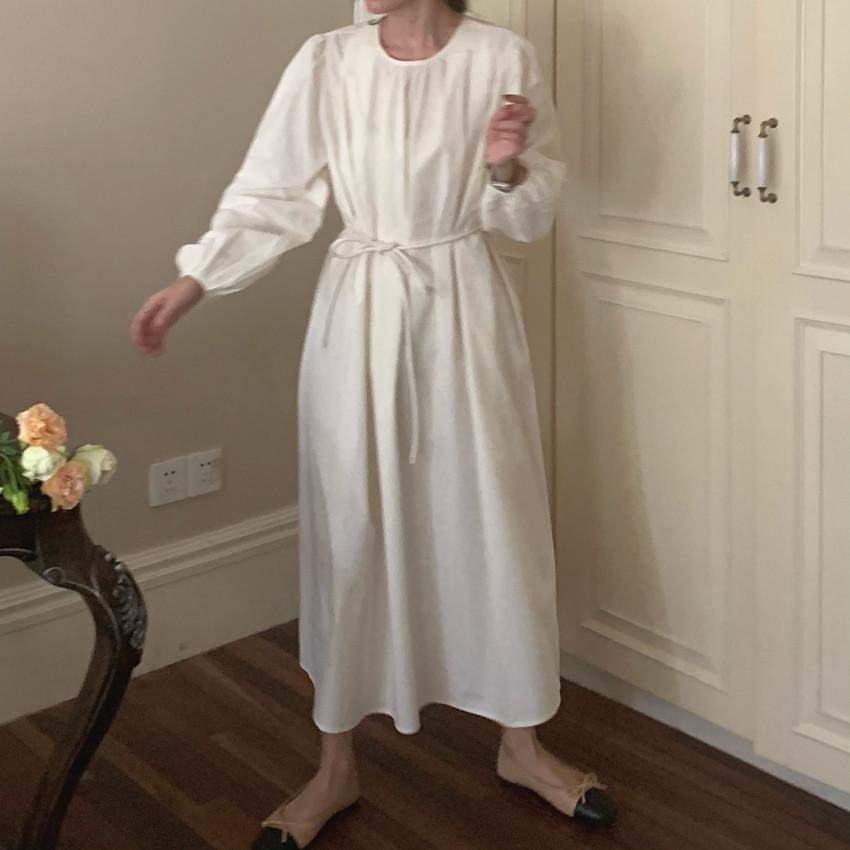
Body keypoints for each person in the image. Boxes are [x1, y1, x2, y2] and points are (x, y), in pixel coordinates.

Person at [130, 0, 617, 846]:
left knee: (493, 518)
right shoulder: (329, 60)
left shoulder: (501, 56)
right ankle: (335, 765)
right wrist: (195, 280)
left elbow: (530, 215)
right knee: (350, 526)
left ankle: (522, 746)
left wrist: (504, 167)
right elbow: (272, 191)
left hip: (464, 308)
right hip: (358, 317)